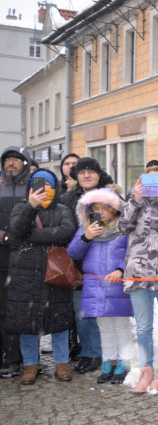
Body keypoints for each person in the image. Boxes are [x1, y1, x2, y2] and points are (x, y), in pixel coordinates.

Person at [4, 170, 76, 384]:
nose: (43, 188)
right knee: (27, 322)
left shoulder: (62, 208)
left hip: (55, 269)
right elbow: (16, 231)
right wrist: (30, 207)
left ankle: (61, 364)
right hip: (25, 271)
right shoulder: (21, 207)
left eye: (48, 184)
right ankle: (30, 366)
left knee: (59, 320)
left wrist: (32, 236)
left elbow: (67, 231)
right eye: (39, 183)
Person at [118, 168, 158, 394]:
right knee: (143, 326)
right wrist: (136, 198)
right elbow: (121, 227)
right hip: (139, 272)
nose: (155, 184)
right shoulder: (135, 202)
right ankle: (146, 371)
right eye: (149, 179)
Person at [67, 188, 133, 384]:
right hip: (94, 284)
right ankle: (108, 364)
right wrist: (86, 237)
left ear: (114, 209)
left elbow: (132, 253)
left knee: (121, 327)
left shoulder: (123, 228)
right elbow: (73, 253)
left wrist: (121, 269)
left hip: (117, 284)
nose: (101, 212)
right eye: (96, 208)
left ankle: (123, 365)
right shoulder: (87, 226)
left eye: (105, 208)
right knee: (104, 328)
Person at [0, 146, 33, 378]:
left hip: (26, 257)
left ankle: (24, 359)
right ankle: (8, 356)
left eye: (15, 160)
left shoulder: (34, 185)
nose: (10, 164)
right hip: (2, 258)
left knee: (23, 310)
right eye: (7, 160)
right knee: (4, 310)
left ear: (25, 163)